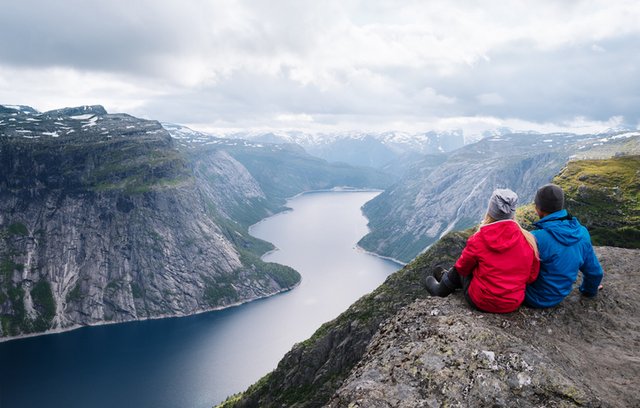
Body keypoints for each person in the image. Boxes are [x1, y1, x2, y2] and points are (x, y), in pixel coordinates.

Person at [426, 189, 540, 313]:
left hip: (482, 301)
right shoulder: (528, 240)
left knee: (461, 267)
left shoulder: (479, 239)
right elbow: (531, 277)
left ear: (490, 212)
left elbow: (463, 269)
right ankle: (445, 278)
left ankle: (441, 288)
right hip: (512, 303)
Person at [524, 184, 603, 308]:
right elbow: (595, 272)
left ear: (538, 208)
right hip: (559, 296)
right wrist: (588, 291)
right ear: (561, 206)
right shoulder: (582, 233)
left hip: (532, 297)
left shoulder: (536, 237)